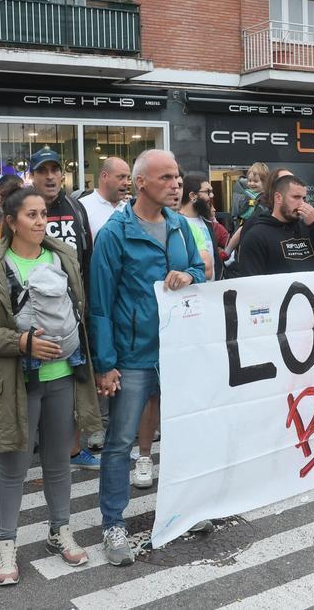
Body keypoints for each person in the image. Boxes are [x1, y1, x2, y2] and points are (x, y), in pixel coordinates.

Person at [0, 187, 101, 583]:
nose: (41, 222)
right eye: (32, 215)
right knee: (13, 468)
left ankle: (60, 531)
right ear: (11, 221)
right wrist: (21, 342)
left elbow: (79, 308)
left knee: (59, 462)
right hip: (14, 382)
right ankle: (6, 546)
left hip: (62, 376)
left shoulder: (62, 256)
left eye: (44, 214)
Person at [89, 149, 203, 567]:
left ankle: (183, 510)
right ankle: (113, 524)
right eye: (167, 177)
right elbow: (99, 304)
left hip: (176, 352)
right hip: (133, 355)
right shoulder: (115, 233)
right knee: (120, 442)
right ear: (141, 183)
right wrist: (105, 363)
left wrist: (190, 274)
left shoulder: (179, 225)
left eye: (177, 176)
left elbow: (200, 271)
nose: (177, 184)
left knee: (180, 434)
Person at [236, 175, 314, 276]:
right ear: (278, 198)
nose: (302, 204)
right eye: (296, 197)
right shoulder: (256, 236)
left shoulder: (308, 227)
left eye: (304, 198)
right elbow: (251, 282)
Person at [30, 148, 93, 281]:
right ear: (31, 176)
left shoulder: (76, 208)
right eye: (42, 171)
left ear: (62, 175)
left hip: (73, 296)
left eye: (55, 170)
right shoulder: (20, 211)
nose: (50, 176)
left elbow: (88, 260)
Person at [79, 156, 131, 239]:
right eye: (121, 177)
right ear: (104, 176)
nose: (126, 183)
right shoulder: (82, 206)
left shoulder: (130, 210)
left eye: (128, 178)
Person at [179, 174, 217, 281]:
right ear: (192, 196)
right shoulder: (178, 223)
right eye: (207, 192)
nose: (212, 195)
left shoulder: (207, 222)